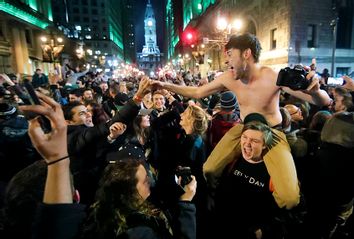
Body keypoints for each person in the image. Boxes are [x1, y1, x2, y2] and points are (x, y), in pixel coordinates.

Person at [152, 33, 331, 208]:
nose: (226, 61)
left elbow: (323, 101)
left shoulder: (273, 77)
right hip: (244, 130)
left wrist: (315, 90)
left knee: (290, 198)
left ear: (246, 53)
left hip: (272, 134)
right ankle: (217, 200)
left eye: (230, 55)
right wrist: (164, 85)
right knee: (209, 169)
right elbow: (197, 92)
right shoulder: (228, 77)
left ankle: (269, 215)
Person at [20, 90, 198, 239]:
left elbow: (59, 226)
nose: (88, 114)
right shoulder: (139, 231)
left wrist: (57, 162)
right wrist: (185, 205)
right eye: (144, 182)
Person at [214, 113, 299, 238]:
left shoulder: (275, 171)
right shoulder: (233, 160)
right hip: (224, 226)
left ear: (265, 144)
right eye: (244, 137)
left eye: (254, 140)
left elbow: (282, 210)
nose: (247, 144)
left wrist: (264, 229)